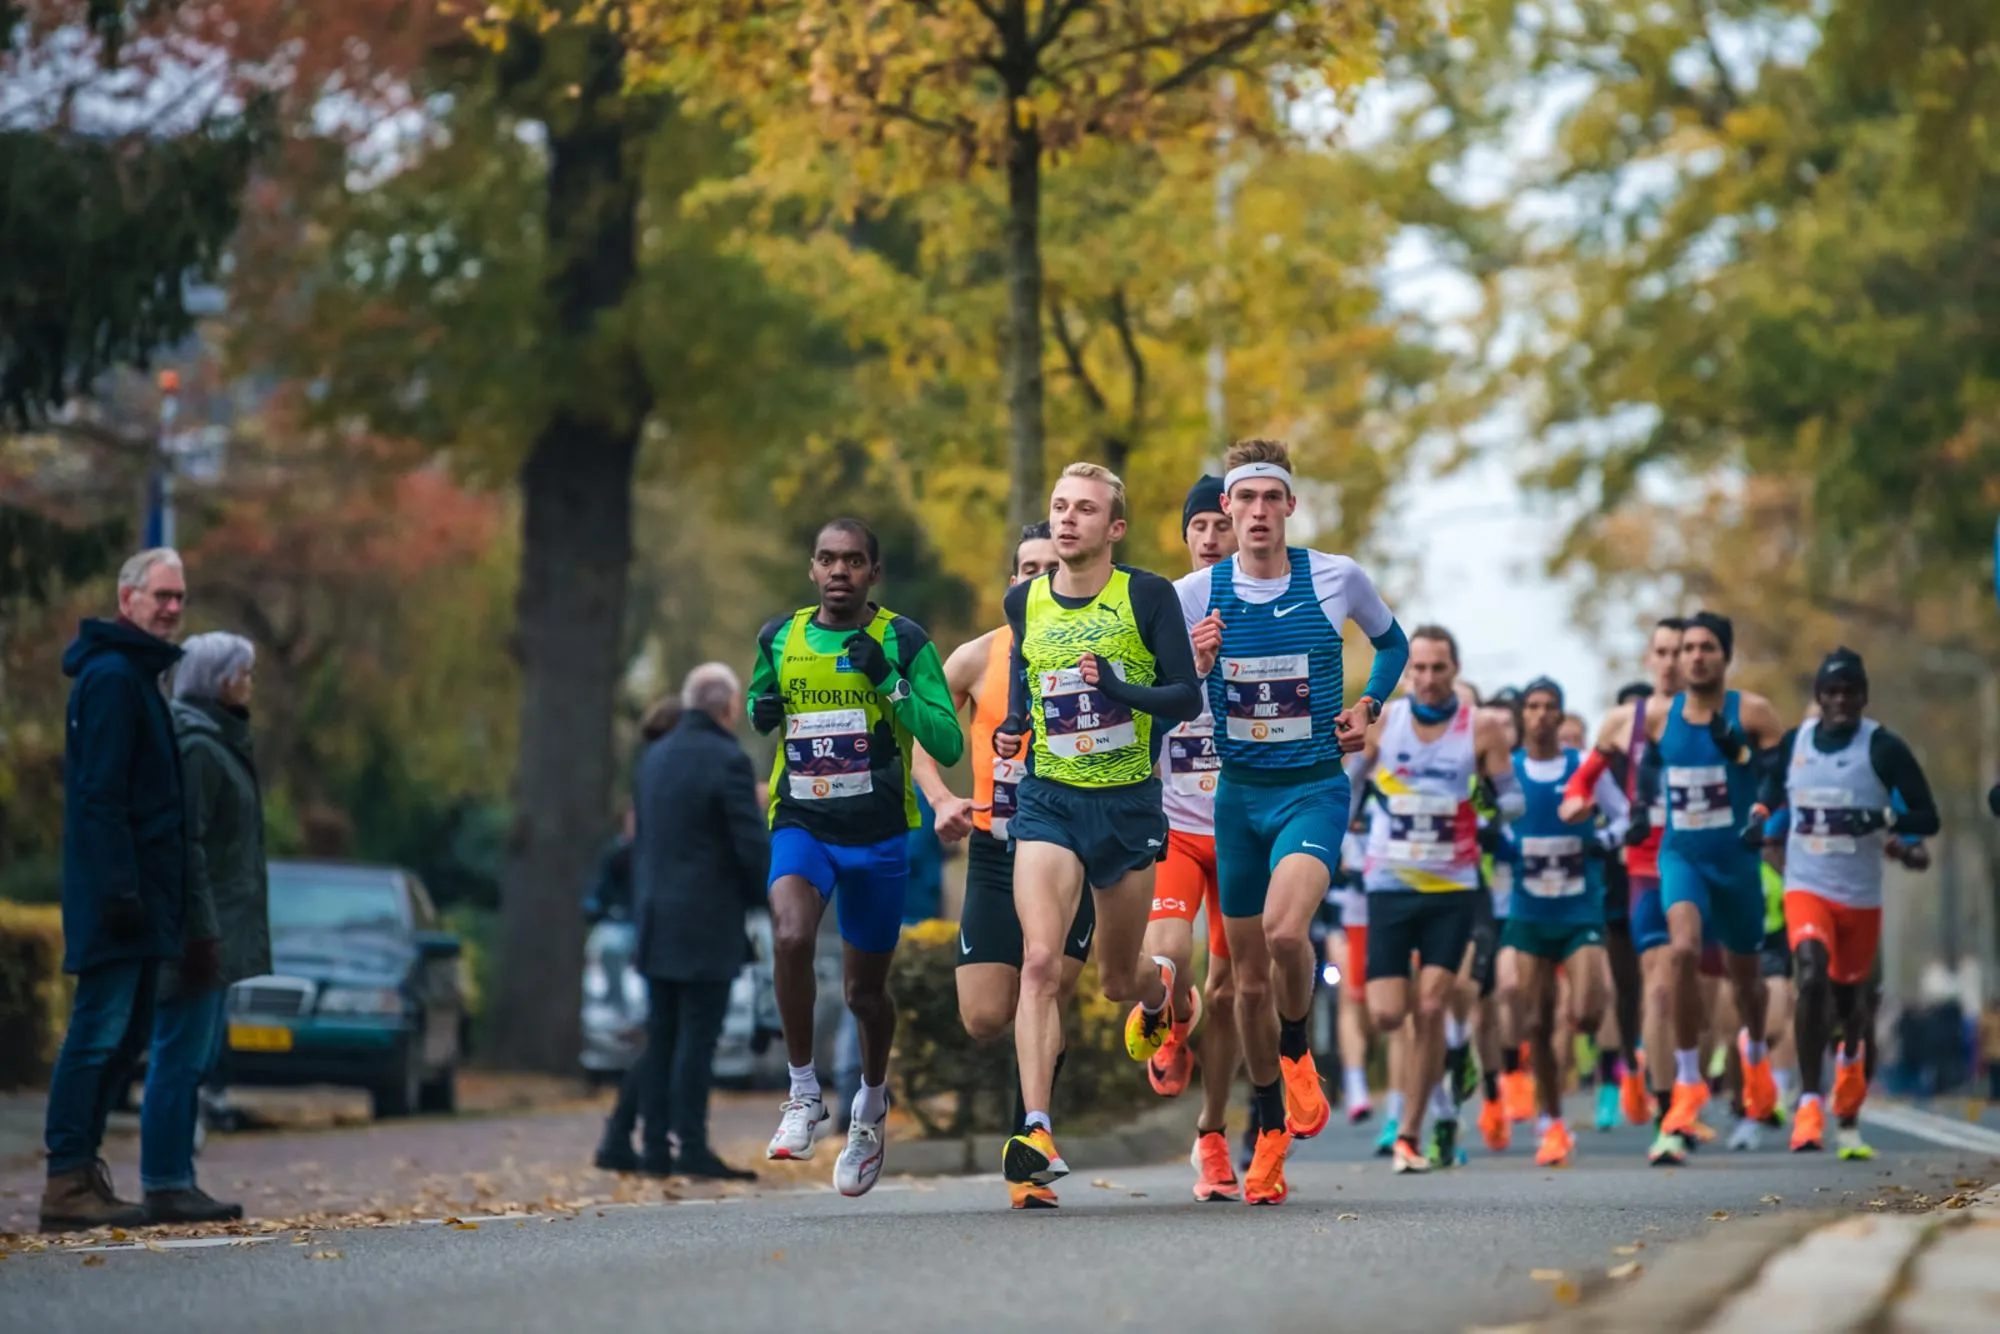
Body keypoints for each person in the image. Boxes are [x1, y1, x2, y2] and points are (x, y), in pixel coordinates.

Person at [1173, 438, 1412, 1201]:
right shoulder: (1195, 593)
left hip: (1312, 788)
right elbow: (1154, 684)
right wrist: (1197, 665)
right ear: (1227, 511)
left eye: (1270, 498)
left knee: (1282, 935)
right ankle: (1270, 1121)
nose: (1256, 513)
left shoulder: (1337, 578)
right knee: (1243, 984)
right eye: (1243, 500)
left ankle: (1299, 1045)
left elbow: (1392, 642)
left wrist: (1368, 704)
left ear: (1289, 507)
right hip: (1237, 797)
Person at [995, 463, 1202, 1198]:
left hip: (1127, 806)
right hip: (1049, 801)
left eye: (1085, 509)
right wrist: (1015, 725)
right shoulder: (1025, 601)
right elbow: (1027, 679)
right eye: (1058, 506)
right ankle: (1037, 1129)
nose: (1068, 519)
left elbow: (1185, 694)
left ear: (1114, 527)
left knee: (1117, 980)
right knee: (1042, 961)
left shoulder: (1145, 595)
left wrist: (1117, 688)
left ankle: (1164, 993)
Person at [750, 521, 963, 1197]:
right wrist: (763, 706)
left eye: (853, 561)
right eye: (827, 559)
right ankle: (803, 1092)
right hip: (802, 821)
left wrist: (891, 684)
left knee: (864, 994)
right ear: (812, 570)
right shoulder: (778, 637)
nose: (839, 570)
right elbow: (762, 702)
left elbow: (946, 740)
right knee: (789, 934)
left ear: (873, 572)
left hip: (878, 834)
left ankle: (871, 1105)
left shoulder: (905, 640)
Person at [911, 523, 1097, 1209]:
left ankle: (1031, 1146)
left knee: (1044, 982)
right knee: (986, 1014)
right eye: (1025, 567)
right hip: (995, 847)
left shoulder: (1100, 651)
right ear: (1009, 583)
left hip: (1073, 849)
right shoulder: (975, 658)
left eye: (1050, 566)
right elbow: (921, 739)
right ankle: (1034, 1122)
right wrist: (939, 800)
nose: (1036, 577)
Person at [40, 549, 190, 1233]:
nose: (171, 608)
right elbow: (100, 798)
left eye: (179, 597)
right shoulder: (111, 680)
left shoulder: (136, 678)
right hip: (117, 897)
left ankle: (82, 1173)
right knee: (97, 1033)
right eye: (160, 595)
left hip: (141, 895)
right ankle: (67, 1177)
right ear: (126, 598)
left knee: (124, 1035)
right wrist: (121, 891)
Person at [1748, 648, 1938, 1159]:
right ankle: (1809, 1102)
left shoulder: (1883, 748)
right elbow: (1768, 787)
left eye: (1850, 691)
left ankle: (1849, 1092)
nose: (1840, 700)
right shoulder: (1797, 743)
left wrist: (1882, 823)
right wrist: (1760, 819)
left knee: (1853, 1009)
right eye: (1831, 691)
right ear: (1819, 696)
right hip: (1807, 887)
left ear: (1863, 696)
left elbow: (1927, 816)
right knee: (1809, 976)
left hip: (1859, 896)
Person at [1350, 625, 1516, 1175]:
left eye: (1437, 668)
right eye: (1417, 667)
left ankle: (1412, 1134)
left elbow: (1513, 803)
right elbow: (1350, 783)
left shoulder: (1482, 728)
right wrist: (1343, 817)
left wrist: (1490, 804)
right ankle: (1448, 1070)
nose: (1426, 678)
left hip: (1452, 889)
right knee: (1388, 1013)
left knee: (1430, 1006)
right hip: (1390, 886)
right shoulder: (1385, 723)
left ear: (1454, 670)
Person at [1632, 611, 1786, 1167]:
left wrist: (1751, 777)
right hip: (1683, 854)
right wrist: (1627, 813)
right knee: (1683, 951)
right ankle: (1689, 1082)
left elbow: (1780, 775)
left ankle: (1756, 1059)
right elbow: (1647, 773)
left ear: (1726, 656)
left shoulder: (1756, 712)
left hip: (1737, 860)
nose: (1694, 657)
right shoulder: (1657, 715)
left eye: (1706, 648)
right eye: (1688, 648)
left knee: (1747, 987)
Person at [1142, 476, 1257, 1202]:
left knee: (1230, 990)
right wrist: (1189, 668)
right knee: (1165, 964)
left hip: (1241, 828)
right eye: (1201, 527)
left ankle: (1212, 1135)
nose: (1211, 537)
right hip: (1176, 830)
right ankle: (1169, 1023)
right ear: (1186, 535)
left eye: (1223, 525)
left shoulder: (1262, 607)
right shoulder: (1161, 607)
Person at [135, 633, 267, 1224]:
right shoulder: (198, 747)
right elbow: (189, 850)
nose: (250, 683)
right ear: (217, 679)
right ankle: (166, 1180)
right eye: (244, 673)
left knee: (194, 1057)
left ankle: (176, 1177)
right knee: (178, 1056)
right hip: (198, 936)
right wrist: (203, 934)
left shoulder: (220, 743)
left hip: (214, 931)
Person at [632, 663, 770, 1181]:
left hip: (653, 915)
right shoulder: (727, 760)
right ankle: (690, 1145)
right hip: (705, 920)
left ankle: (652, 1149)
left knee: (661, 1035)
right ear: (729, 708)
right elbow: (748, 844)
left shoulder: (653, 758)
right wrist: (769, 899)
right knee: (698, 1038)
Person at [1562, 622, 1687, 1147]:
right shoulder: (1623, 723)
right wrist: (1578, 807)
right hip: (1645, 870)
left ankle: (1720, 1076)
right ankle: (1667, 1115)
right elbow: (1578, 787)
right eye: (1662, 652)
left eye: (1683, 652)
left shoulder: (1735, 718)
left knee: (1705, 992)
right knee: (1656, 987)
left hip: (1715, 868)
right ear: (1649, 658)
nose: (1674, 662)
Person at [1503, 678, 1627, 1167]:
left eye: (1548, 707)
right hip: (1530, 912)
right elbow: (1485, 818)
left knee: (1590, 1013)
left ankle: (1592, 1055)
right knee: (1535, 1020)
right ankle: (1552, 1122)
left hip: (1579, 911)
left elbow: (1624, 818)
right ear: (1522, 716)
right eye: (1531, 707)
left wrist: (1602, 840)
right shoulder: (1509, 771)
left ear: (1560, 715)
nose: (1539, 715)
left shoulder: (1582, 769)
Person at [592, 697, 681, 1174]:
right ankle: (638, 1136)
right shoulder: (664, 780)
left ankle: (624, 1134)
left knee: (662, 1037)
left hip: (650, 925)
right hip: (665, 926)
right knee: (666, 1037)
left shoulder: (649, 776)